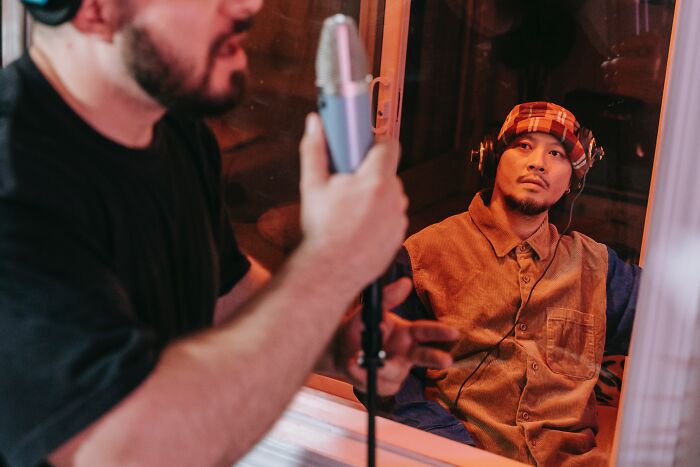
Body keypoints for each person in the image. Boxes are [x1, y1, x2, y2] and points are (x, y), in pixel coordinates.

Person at [0, 1, 460, 466]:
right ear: (94, 10)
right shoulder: (14, 181)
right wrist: (330, 265)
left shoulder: (176, 130)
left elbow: (224, 295)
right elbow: (128, 452)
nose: (249, 4)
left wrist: (330, 342)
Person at [384, 102, 640, 466]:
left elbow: (679, 319)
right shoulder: (422, 255)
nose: (538, 163)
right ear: (492, 159)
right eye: (524, 146)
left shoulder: (597, 268)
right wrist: (450, 450)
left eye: (556, 154)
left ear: (573, 180)